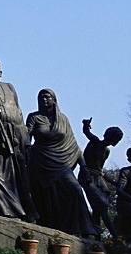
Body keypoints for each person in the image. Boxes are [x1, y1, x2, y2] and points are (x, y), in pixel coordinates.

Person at [26, 89, 97, 236]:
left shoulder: (63, 119)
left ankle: (81, 231)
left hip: (62, 163)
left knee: (75, 189)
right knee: (46, 199)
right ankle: (50, 231)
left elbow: (73, 144)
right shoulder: (34, 117)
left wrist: (83, 166)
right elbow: (26, 137)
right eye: (41, 98)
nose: (44, 100)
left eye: (47, 97)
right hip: (41, 164)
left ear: (54, 100)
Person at [0, 58, 33, 219]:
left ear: (0, 72)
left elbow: (19, 113)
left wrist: (26, 143)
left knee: (17, 176)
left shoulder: (9, 87)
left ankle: (17, 211)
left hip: (15, 136)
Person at [80, 118, 123, 236]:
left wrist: (114, 183)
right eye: (117, 139)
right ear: (110, 136)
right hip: (88, 176)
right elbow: (86, 133)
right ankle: (116, 236)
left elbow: (101, 170)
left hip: (99, 179)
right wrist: (86, 125)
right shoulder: (95, 142)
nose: (117, 142)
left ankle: (96, 237)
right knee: (102, 206)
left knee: (97, 209)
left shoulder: (106, 151)